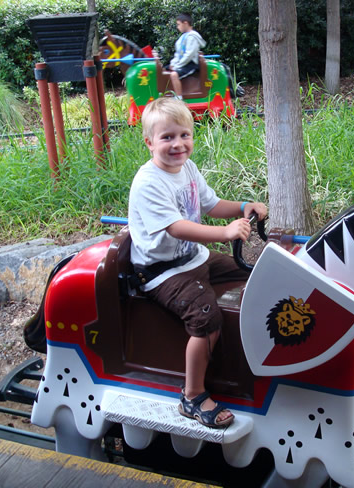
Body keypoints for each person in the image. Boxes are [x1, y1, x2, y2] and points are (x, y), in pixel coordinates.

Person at [128, 97, 267, 428]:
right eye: (167, 137)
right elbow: (176, 227)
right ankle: (192, 396)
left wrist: (242, 207)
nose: (178, 144)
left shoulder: (187, 169)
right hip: (163, 271)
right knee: (206, 316)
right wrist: (225, 232)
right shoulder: (148, 182)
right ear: (149, 142)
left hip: (192, 257)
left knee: (253, 274)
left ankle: (245, 361)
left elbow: (211, 204)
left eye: (184, 135)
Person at [165, 13, 206, 100]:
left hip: (190, 64)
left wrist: (178, 66)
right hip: (182, 63)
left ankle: (179, 97)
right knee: (164, 69)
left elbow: (189, 55)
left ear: (185, 23)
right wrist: (173, 64)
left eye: (178, 24)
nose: (178, 27)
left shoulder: (193, 37)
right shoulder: (182, 37)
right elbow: (178, 54)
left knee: (174, 74)